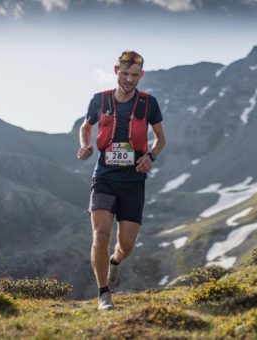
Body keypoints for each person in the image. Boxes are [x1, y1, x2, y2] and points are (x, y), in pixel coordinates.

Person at [77, 51, 166, 310]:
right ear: (116, 70)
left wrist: (150, 156)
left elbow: (161, 138)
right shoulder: (99, 100)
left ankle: (115, 262)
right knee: (101, 233)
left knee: (126, 244)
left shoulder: (149, 103)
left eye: (134, 75)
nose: (128, 79)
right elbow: (86, 127)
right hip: (104, 176)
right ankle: (103, 294)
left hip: (133, 181)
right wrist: (85, 145)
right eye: (125, 74)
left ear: (141, 76)